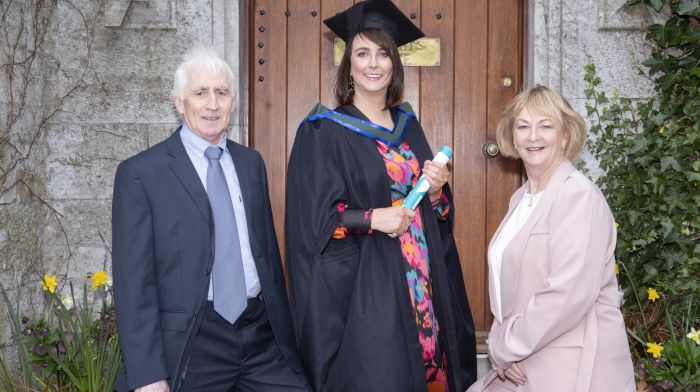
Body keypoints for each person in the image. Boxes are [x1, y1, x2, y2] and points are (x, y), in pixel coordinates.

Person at [284, 1, 477, 391]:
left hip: (423, 278)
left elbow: (436, 212)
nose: (374, 63)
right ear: (349, 65)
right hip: (368, 288)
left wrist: (438, 194)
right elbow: (314, 224)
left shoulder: (409, 126)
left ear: (394, 64)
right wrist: (374, 218)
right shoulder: (324, 131)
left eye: (383, 53)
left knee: (432, 367)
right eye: (362, 53)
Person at [112, 47, 309, 392]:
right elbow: (133, 284)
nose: (212, 104)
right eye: (200, 92)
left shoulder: (251, 163)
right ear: (178, 102)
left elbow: (265, 255)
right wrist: (147, 375)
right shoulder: (142, 174)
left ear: (233, 101)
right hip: (193, 342)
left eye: (221, 93)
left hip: (261, 335)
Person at [467, 85, 635, 392]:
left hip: (571, 364)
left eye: (545, 126)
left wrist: (504, 345)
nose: (533, 136)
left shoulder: (577, 196)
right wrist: (503, 344)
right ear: (512, 137)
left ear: (565, 137)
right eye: (523, 126)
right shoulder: (522, 199)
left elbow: (566, 295)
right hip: (522, 360)